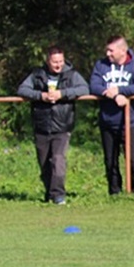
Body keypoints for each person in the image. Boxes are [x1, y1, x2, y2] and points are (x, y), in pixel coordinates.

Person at [16, 45, 89, 204]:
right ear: (48, 61)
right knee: (44, 163)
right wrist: (40, 96)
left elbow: (84, 89)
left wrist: (62, 94)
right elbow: (22, 90)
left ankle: (58, 195)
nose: (58, 65)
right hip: (41, 126)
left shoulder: (71, 75)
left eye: (61, 61)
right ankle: (49, 193)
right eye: (55, 62)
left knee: (58, 160)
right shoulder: (37, 75)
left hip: (62, 126)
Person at [89, 35, 134, 195]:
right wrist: (111, 94)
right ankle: (115, 192)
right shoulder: (101, 65)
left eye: (111, 50)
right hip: (107, 121)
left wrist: (121, 91)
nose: (108, 53)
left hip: (129, 121)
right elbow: (93, 85)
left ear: (123, 50)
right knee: (110, 160)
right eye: (107, 50)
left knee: (133, 159)